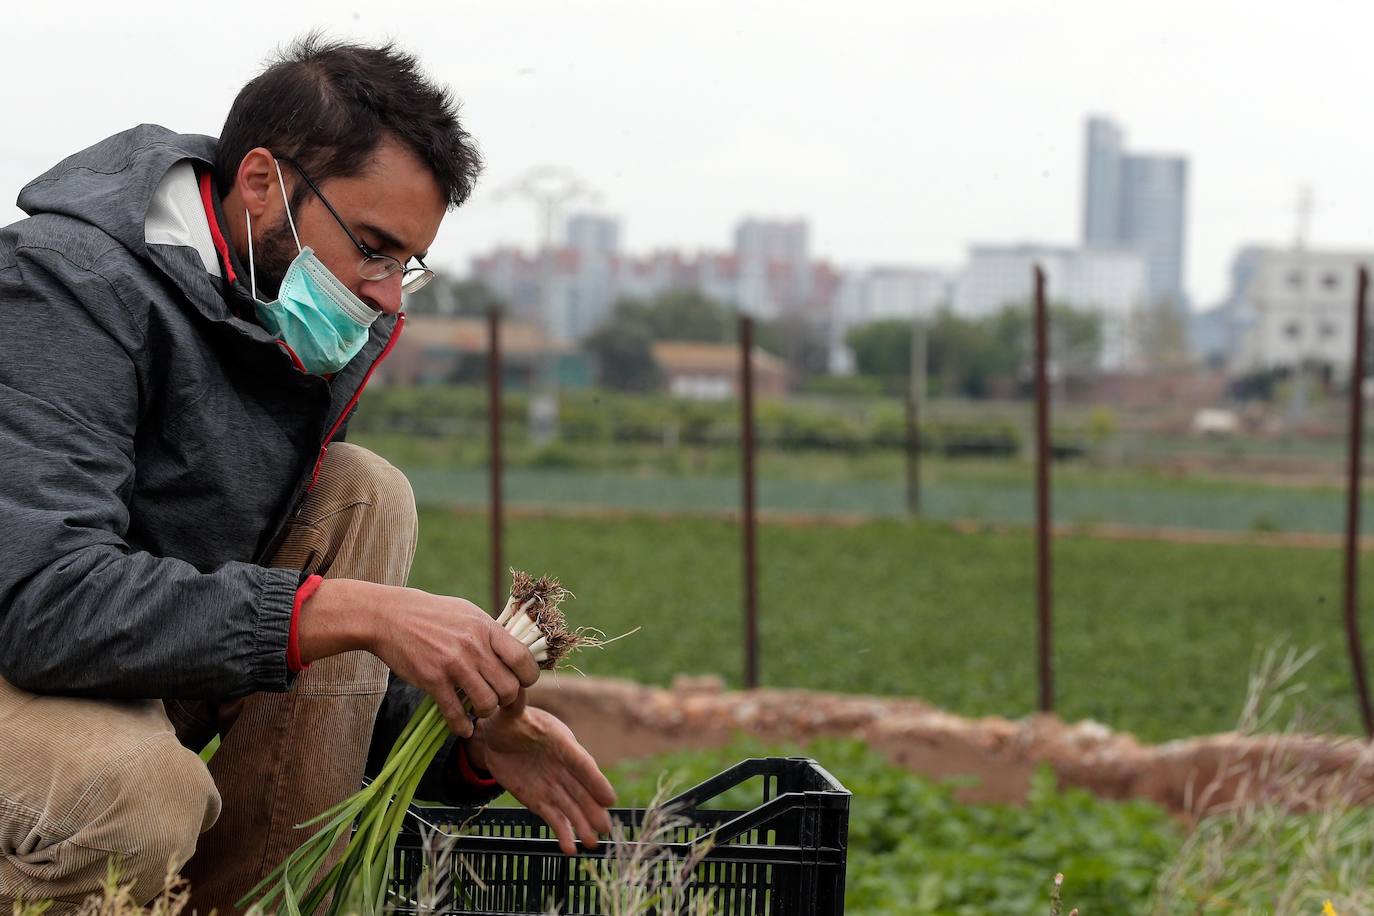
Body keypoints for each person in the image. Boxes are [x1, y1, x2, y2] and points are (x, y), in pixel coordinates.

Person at [0, 35, 615, 914]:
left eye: (406, 263)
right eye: (372, 245)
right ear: (261, 185)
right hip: (25, 660)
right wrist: (351, 610)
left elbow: (277, 649)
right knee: (133, 800)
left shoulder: (273, 313)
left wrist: (466, 739)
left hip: (118, 682)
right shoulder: (64, 286)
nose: (387, 293)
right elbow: (42, 604)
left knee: (367, 492)